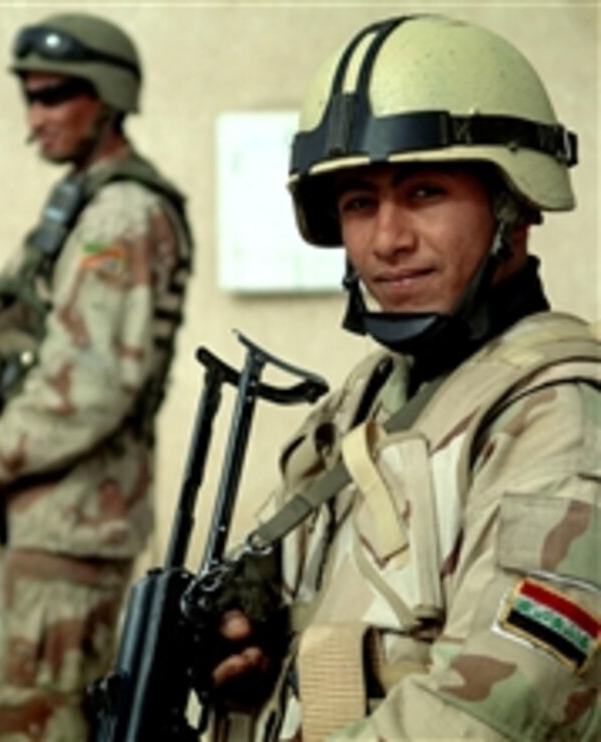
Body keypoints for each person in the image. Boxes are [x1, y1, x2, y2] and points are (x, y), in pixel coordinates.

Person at [210, 14, 600, 741]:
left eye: (424, 192)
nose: (387, 240)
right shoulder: (369, 396)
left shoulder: (560, 421)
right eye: (360, 203)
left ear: (515, 203)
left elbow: (491, 709)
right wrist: (248, 634)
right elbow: (288, 572)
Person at [0, 13, 194, 740]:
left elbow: (92, 384)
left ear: (104, 98)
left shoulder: (123, 215)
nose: (34, 118)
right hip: (57, 513)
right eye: (29, 98)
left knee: (42, 723)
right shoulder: (82, 203)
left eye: (51, 98)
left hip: (78, 515)